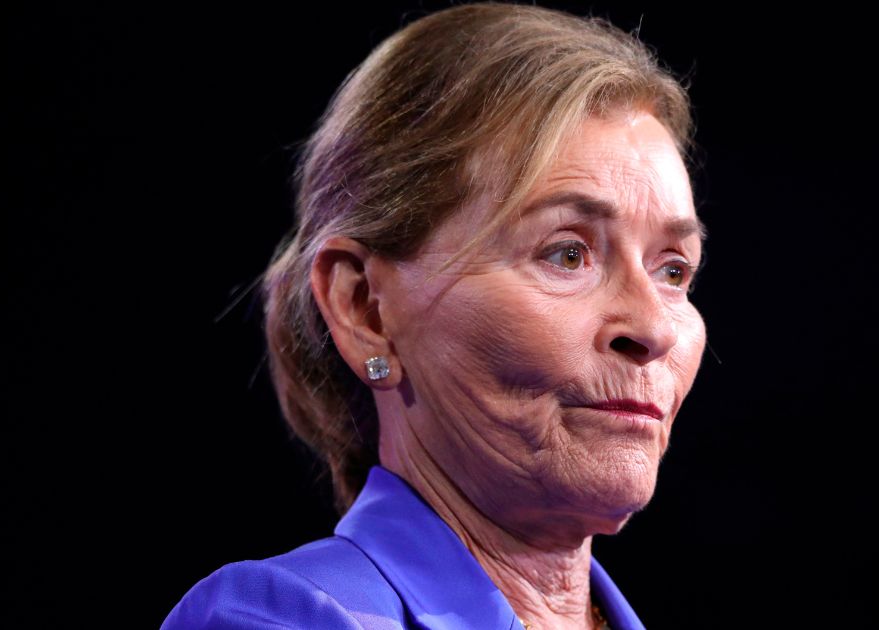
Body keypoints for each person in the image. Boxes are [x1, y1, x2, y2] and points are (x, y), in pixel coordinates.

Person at [162, 3, 708, 628]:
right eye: (567, 253)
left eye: (673, 270)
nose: (655, 329)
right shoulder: (282, 616)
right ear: (364, 309)